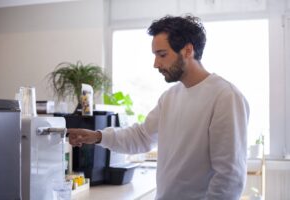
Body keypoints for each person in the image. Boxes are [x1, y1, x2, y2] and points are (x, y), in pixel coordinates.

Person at [69, 14, 250, 200]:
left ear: (188, 50)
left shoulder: (226, 97)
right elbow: (141, 137)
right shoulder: (170, 97)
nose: (156, 64)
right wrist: (98, 136)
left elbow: (229, 177)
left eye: (162, 55)